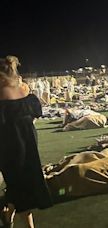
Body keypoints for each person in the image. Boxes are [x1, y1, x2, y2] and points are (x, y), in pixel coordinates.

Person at [0, 56, 52, 228]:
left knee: (19, 183)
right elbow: (35, 115)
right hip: (25, 143)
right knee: (22, 183)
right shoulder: (24, 93)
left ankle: (8, 213)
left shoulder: (5, 96)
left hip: (11, 146)